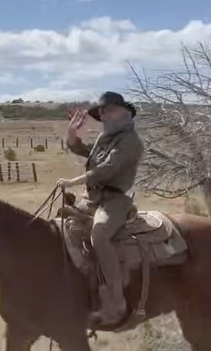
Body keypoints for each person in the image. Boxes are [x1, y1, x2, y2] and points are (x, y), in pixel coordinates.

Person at [58, 91, 144, 326]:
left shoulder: (130, 141)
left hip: (114, 201)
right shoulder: (106, 137)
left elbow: (108, 168)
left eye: (109, 110)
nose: (104, 115)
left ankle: (117, 300)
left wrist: (73, 181)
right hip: (92, 198)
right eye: (102, 111)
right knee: (60, 228)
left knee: (100, 233)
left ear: (123, 112)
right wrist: (72, 136)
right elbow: (89, 155)